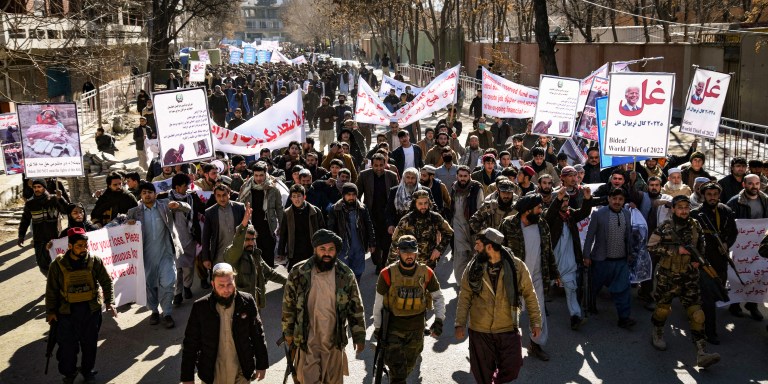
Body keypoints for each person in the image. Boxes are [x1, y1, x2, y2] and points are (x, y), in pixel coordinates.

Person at [455, 228, 542, 384]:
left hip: (507, 327)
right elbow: (465, 296)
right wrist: (459, 323)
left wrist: (536, 322)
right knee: (482, 375)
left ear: (489, 247)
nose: (475, 248)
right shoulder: (473, 267)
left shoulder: (517, 267)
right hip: (480, 329)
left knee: (513, 367)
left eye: (478, 244)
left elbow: (530, 294)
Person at [281, 229, 366, 383]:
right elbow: (289, 305)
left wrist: (359, 336)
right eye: (322, 249)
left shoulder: (345, 275)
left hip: (334, 342)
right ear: (315, 250)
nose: (327, 253)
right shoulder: (298, 272)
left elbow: (356, 308)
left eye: (331, 249)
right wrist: (288, 333)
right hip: (308, 341)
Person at [647, 195, 721, 368]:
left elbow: (702, 245)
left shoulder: (696, 225)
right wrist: (675, 250)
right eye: (679, 207)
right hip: (667, 276)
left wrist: (698, 260)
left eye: (686, 208)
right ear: (673, 209)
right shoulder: (665, 227)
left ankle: (702, 352)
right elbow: (650, 246)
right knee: (663, 309)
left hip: (689, 277)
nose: (683, 211)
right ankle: (657, 332)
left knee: (697, 313)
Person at [45, 227, 117, 384]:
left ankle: (87, 370)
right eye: (79, 246)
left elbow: (106, 281)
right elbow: (51, 290)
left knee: (90, 344)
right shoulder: (57, 265)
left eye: (85, 245)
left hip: (91, 312)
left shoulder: (94, 261)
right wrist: (50, 311)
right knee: (67, 348)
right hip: (66, 313)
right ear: (70, 246)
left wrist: (109, 301)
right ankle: (69, 373)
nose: (84, 249)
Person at [373, 235, 446, 384]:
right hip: (393, 330)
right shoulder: (387, 274)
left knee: (407, 368)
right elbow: (378, 304)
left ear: (417, 253)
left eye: (412, 252)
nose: (409, 256)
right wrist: (378, 328)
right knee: (398, 375)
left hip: (416, 332)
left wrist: (439, 320)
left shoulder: (426, 273)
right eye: (405, 252)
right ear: (398, 252)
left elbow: (438, 297)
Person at [180, 263, 269, 384]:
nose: (226, 289)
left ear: (235, 282)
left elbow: (257, 334)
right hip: (213, 373)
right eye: (221, 285)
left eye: (229, 284)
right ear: (213, 285)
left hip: (241, 370)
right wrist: (187, 377)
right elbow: (190, 343)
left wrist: (262, 364)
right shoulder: (200, 307)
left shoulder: (247, 301)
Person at [499, 194, 559, 361]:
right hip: (515, 279)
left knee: (538, 312)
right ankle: (506, 347)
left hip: (537, 276)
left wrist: (555, 274)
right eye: (539, 207)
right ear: (527, 211)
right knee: (510, 314)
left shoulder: (542, 224)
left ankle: (536, 344)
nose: (542, 210)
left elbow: (548, 251)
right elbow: (497, 250)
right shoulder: (509, 224)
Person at [126, 182, 191, 328]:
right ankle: (154, 311)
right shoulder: (134, 212)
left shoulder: (165, 205)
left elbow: (187, 208)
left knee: (168, 282)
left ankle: (167, 313)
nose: (147, 195)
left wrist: (178, 205)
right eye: (144, 193)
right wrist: (127, 224)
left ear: (155, 194)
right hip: (145, 256)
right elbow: (122, 226)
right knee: (149, 285)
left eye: (150, 192)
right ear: (141, 196)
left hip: (166, 253)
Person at [690, 182, 738, 344]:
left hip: (720, 260)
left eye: (715, 195)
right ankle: (709, 332)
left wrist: (727, 244)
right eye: (709, 195)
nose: (712, 198)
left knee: (716, 294)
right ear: (704, 195)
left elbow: (733, 232)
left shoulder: (725, 211)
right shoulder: (696, 214)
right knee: (708, 298)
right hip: (703, 261)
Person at [582, 188, 636, 328]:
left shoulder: (627, 214)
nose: (617, 202)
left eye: (620, 199)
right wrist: (586, 255)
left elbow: (628, 236)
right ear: (609, 199)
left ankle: (624, 318)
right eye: (614, 199)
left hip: (621, 260)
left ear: (624, 201)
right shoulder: (599, 214)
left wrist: (630, 253)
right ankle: (590, 305)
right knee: (594, 287)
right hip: (601, 260)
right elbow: (590, 236)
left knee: (623, 289)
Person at [544, 186, 594, 330]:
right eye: (562, 201)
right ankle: (539, 309)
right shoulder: (551, 215)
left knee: (571, 288)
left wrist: (587, 198)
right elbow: (548, 217)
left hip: (569, 260)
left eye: (567, 200)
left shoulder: (570, 215)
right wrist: (558, 199)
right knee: (543, 288)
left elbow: (584, 212)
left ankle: (575, 317)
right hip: (552, 260)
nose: (565, 203)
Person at [224, 203, 287, 308]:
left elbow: (270, 273)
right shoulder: (233, 254)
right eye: (247, 240)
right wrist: (243, 226)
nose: (250, 242)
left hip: (255, 303)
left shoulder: (255, 254)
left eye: (253, 239)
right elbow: (236, 247)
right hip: (239, 304)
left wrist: (288, 281)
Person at [726, 173, 768, 320]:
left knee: (758, 275)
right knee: (738, 275)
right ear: (744, 185)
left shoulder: (765, 200)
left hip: (760, 246)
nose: (754, 186)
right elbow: (728, 224)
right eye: (750, 183)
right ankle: (735, 305)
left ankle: (752, 304)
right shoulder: (734, 202)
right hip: (740, 247)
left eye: (757, 183)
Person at [162, 174, 204, 307]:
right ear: (177, 187)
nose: (187, 188)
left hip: (189, 236)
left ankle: (187, 287)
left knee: (188, 266)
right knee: (177, 268)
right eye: (185, 185)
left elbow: (204, 209)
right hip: (172, 239)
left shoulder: (192, 197)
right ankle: (178, 294)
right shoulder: (164, 199)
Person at [389, 190, 454, 270]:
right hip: (409, 265)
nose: (423, 206)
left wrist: (439, 249)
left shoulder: (435, 218)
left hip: (429, 265)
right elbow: (394, 244)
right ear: (414, 204)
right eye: (420, 203)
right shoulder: (405, 220)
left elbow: (449, 232)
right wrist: (389, 270)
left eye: (426, 203)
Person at [356, 154, 399, 273]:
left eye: (381, 165)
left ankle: (383, 265)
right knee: (374, 241)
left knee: (387, 241)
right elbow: (358, 194)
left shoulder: (392, 176)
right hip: (371, 213)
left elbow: (397, 194)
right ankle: (377, 261)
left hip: (387, 214)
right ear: (372, 165)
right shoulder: (364, 175)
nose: (379, 168)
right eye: (376, 165)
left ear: (385, 164)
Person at [18, 178, 69, 275]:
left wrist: (61, 199)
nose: (36, 189)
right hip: (39, 240)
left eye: (39, 187)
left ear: (44, 188)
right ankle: (51, 282)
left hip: (54, 239)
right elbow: (25, 220)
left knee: (58, 264)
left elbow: (66, 211)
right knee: (42, 265)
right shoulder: (30, 204)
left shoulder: (54, 199)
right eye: (34, 187)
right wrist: (21, 235)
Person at [238, 162, 285, 267]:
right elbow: (239, 205)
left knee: (268, 258)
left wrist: (282, 226)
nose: (258, 178)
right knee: (252, 258)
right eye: (256, 175)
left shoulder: (273, 189)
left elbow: (279, 209)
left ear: (266, 174)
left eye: (261, 175)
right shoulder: (246, 187)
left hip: (268, 227)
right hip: (251, 226)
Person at [327, 183, 376, 281]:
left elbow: (369, 225)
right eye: (348, 195)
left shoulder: (362, 208)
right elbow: (331, 229)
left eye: (353, 195)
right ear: (343, 195)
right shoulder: (335, 209)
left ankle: (355, 292)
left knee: (358, 272)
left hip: (359, 245)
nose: (351, 197)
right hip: (342, 247)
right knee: (343, 273)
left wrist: (372, 242)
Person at [451, 165, 484, 281]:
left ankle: (474, 281)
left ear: (470, 176)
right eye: (460, 176)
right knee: (461, 254)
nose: (463, 179)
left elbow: (480, 208)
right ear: (457, 176)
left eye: (465, 176)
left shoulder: (476, 188)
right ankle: (461, 283)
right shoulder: (454, 187)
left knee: (475, 253)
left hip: (473, 225)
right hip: (458, 224)